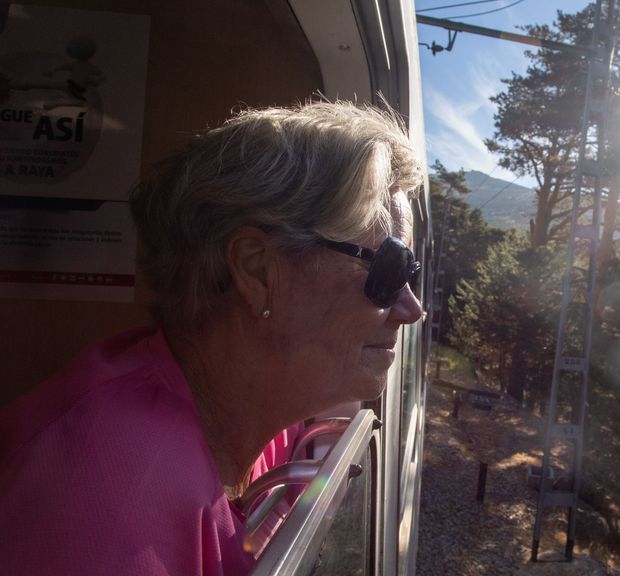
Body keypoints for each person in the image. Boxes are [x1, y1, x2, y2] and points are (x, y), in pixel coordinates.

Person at [0, 100, 425, 575]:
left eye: (412, 273)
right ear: (257, 270)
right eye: (388, 270)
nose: (412, 309)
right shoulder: (98, 503)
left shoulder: (262, 405)